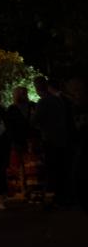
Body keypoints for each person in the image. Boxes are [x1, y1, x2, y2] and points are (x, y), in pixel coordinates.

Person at [33, 76, 74, 209]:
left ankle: (58, 197)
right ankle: (65, 197)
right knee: (63, 168)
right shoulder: (58, 101)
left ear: (38, 88)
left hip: (50, 139)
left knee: (53, 169)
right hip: (63, 139)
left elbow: (35, 121)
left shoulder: (43, 102)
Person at [5, 85, 34, 196]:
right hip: (19, 140)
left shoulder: (32, 106)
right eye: (21, 93)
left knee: (30, 164)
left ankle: (31, 187)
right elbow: (9, 127)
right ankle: (24, 188)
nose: (23, 95)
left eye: (24, 93)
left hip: (30, 139)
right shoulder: (12, 109)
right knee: (22, 165)